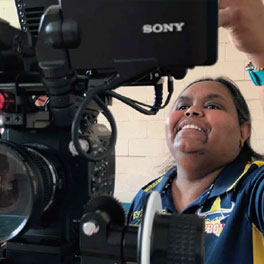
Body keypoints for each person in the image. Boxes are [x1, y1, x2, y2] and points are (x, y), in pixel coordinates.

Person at [128, 0, 264, 263]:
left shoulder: (253, 188)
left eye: (213, 105)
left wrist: (261, 51)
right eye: (182, 106)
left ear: (242, 133)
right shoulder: (146, 198)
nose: (192, 111)